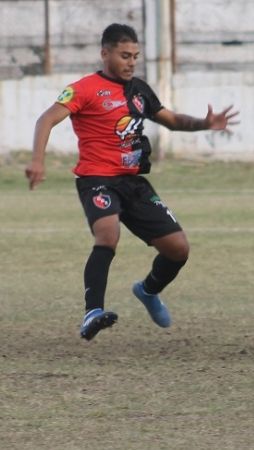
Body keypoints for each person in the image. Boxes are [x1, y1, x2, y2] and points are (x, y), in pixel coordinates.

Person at [25, 23, 238, 341]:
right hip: (97, 179)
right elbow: (46, 119)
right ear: (105, 53)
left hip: (133, 183)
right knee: (107, 234)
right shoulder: (84, 89)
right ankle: (92, 312)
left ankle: (148, 291)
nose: (131, 62)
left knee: (178, 250)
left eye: (135, 56)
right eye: (125, 55)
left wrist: (205, 124)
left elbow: (173, 122)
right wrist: (38, 160)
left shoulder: (139, 90)